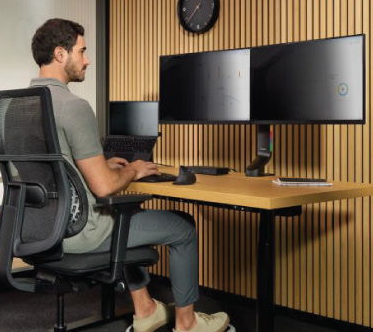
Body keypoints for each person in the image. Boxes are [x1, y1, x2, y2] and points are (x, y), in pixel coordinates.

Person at [29, 18, 230, 332]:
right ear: (60, 54)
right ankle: (188, 323)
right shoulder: (72, 105)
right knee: (184, 226)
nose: (87, 59)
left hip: (41, 230)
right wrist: (134, 170)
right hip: (80, 234)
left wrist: (102, 165)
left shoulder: (22, 104)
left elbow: (56, 167)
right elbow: (104, 186)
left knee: (129, 209)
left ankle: (146, 308)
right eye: (81, 52)